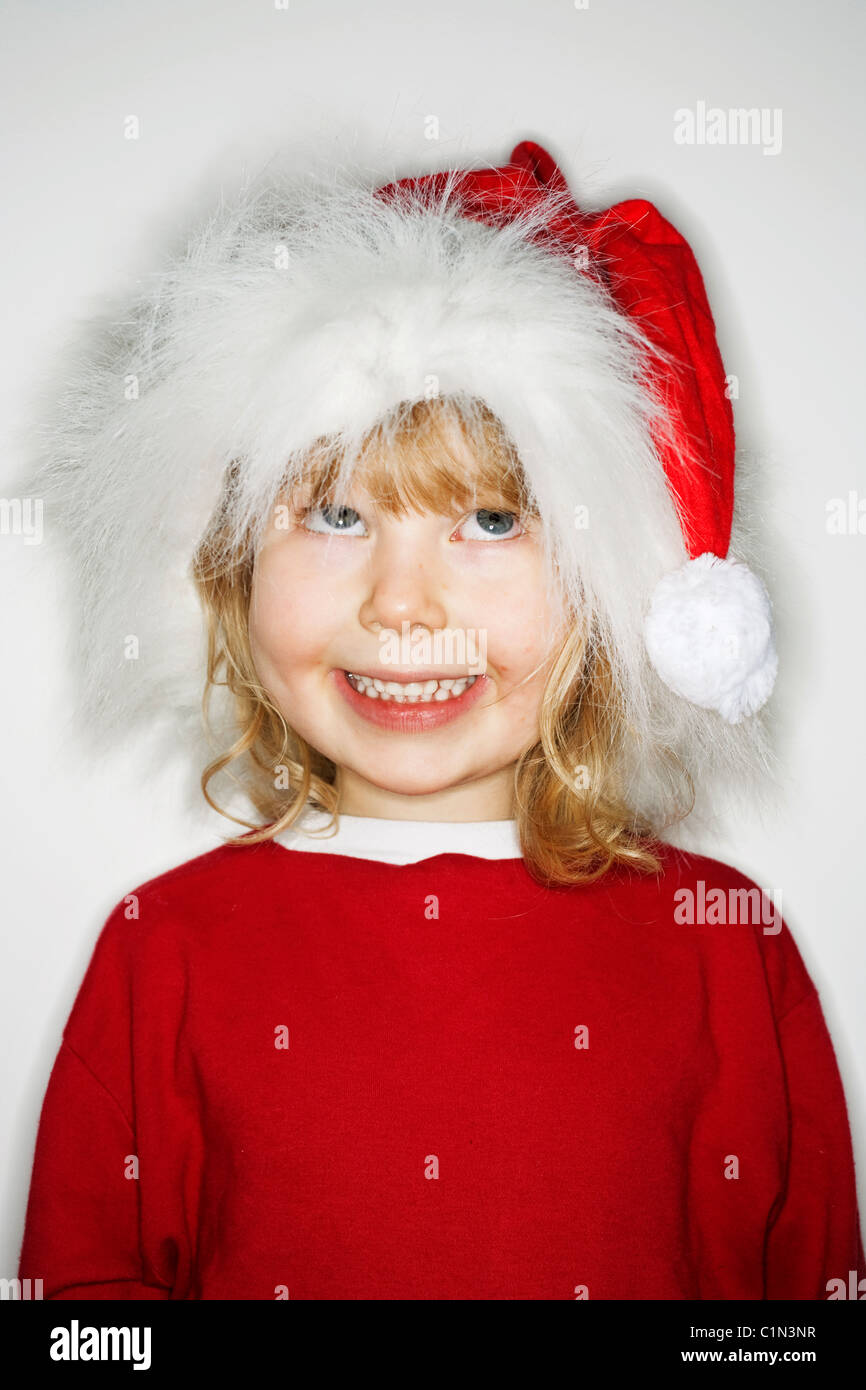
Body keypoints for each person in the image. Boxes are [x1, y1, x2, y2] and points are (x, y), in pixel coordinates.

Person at [16, 138, 863, 1299]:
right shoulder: (159, 949)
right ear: (224, 574)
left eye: (492, 523)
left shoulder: (726, 946)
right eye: (334, 514)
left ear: (613, 585)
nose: (402, 604)